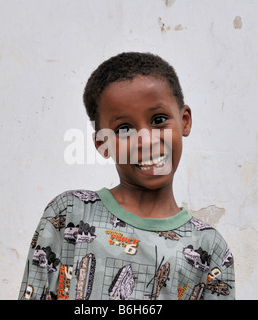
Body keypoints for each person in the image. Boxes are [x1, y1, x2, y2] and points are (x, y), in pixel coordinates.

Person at [18, 52, 235, 300]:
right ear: (103, 143)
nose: (146, 140)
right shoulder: (70, 214)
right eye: (124, 129)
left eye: (159, 120)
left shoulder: (209, 247)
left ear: (184, 121)